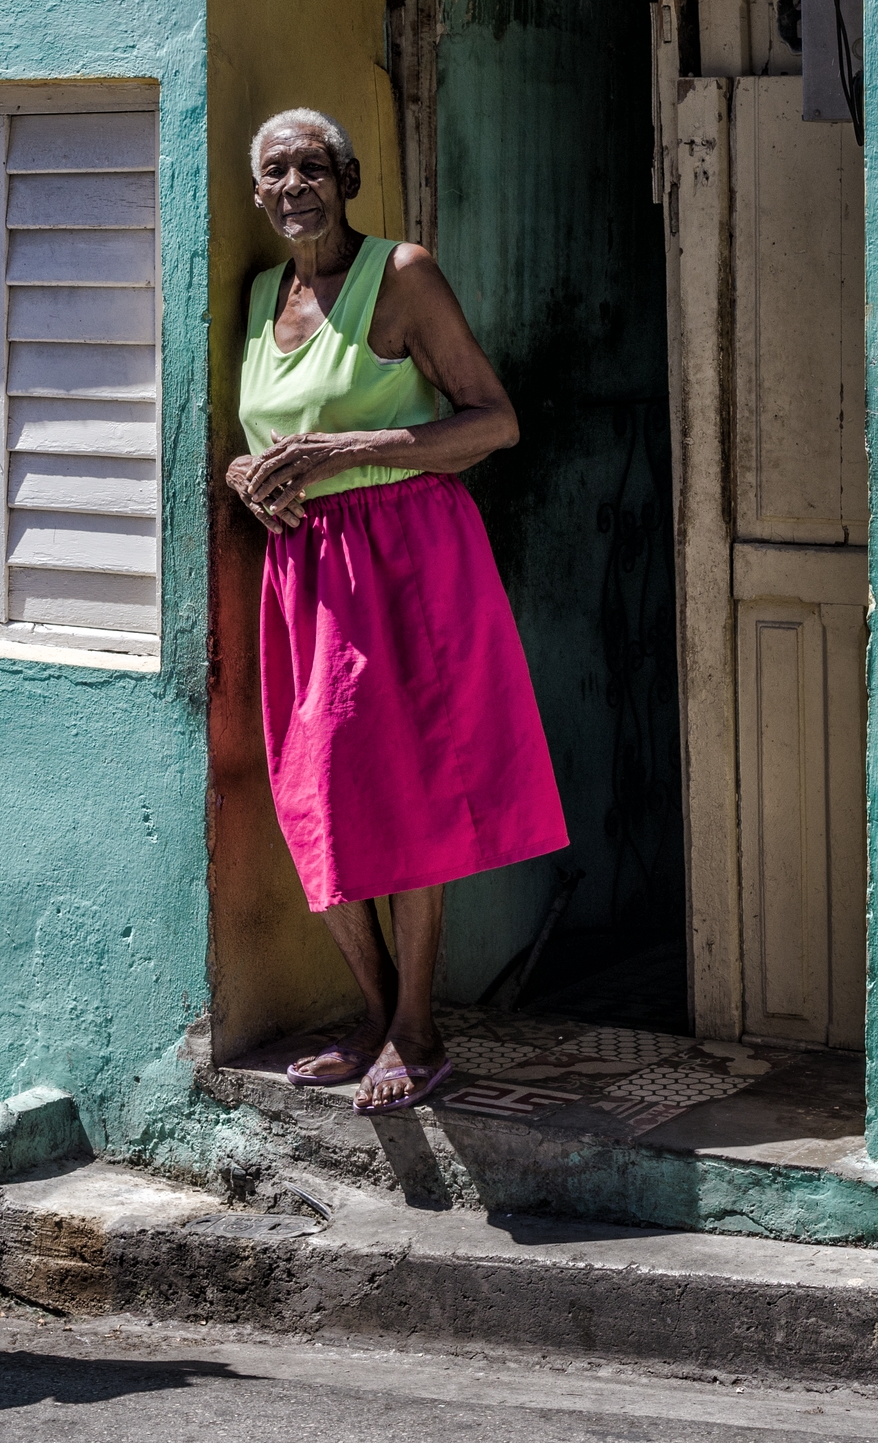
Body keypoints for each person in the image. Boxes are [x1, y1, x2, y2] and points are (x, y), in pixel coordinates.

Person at [232, 108, 568, 1114]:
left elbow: (493, 422)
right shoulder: (259, 297)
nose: (297, 186)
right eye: (277, 171)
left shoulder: (402, 274)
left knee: (410, 786)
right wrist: (248, 473)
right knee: (315, 794)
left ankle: (417, 1028)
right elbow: (258, 435)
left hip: (406, 556)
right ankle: (376, 1013)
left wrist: (346, 453)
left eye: (314, 167)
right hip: (305, 573)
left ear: (349, 176)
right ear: (258, 196)